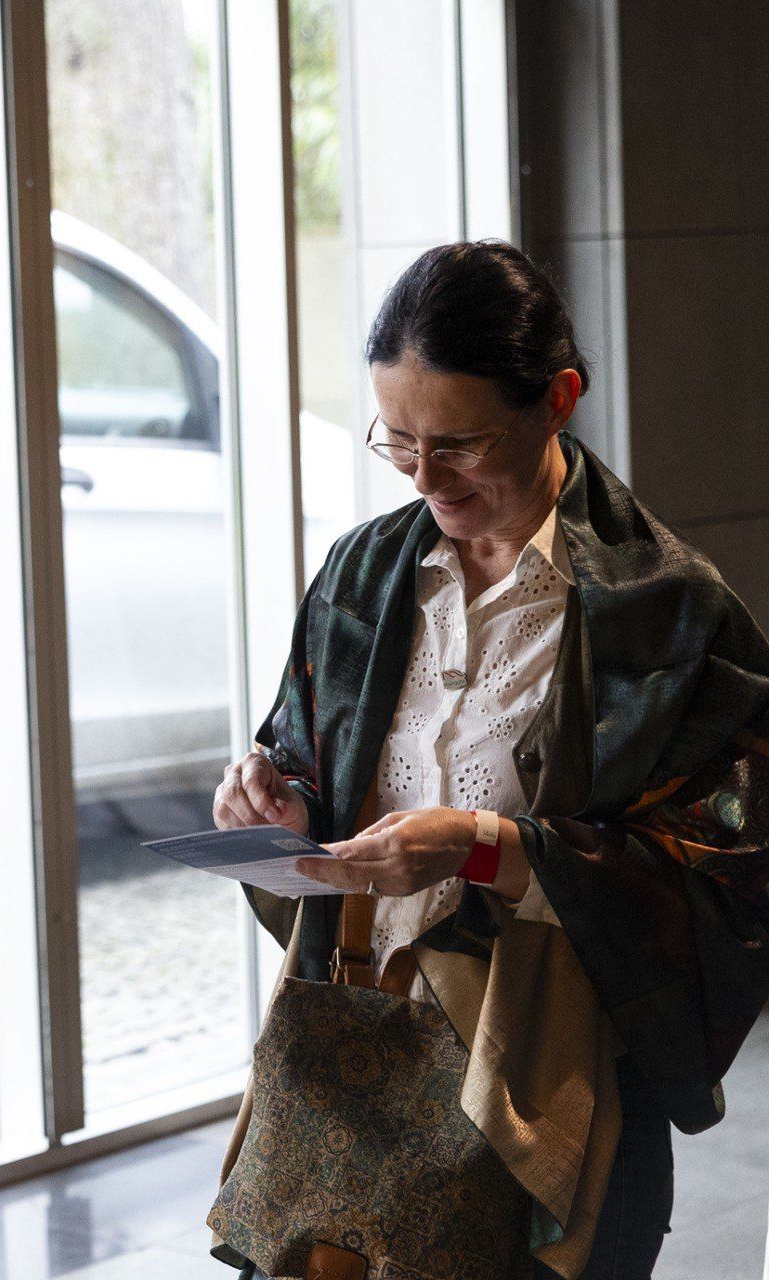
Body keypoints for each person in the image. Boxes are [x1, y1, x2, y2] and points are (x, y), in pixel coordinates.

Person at [212, 241, 769, 1278]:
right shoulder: (366, 573)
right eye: (398, 443)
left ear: (559, 396)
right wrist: (268, 805)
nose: (428, 480)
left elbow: (729, 877)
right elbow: (301, 763)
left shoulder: (667, 611)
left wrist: (478, 847)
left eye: (461, 444)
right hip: (353, 1051)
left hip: (549, 1080)